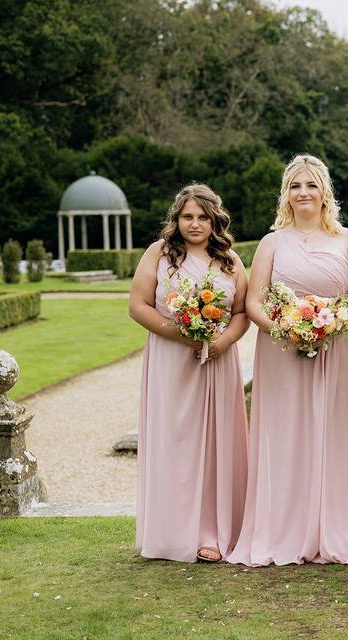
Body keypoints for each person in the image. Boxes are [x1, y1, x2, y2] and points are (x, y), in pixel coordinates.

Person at [227, 155, 348, 566]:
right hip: (281, 350)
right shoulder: (272, 243)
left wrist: (330, 324)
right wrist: (286, 329)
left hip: (337, 348)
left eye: (311, 185)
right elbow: (254, 301)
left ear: (324, 192)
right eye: (296, 186)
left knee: (334, 434)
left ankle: (333, 526)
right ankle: (283, 529)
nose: (303, 193)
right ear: (287, 193)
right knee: (286, 433)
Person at [130, 183, 249, 563]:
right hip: (170, 358)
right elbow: (138, 305)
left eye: (202, 217)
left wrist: (224, 340)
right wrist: (183, 335)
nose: (195, 224)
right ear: (176, 219)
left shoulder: (230, 260)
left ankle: (212, 532)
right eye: (187, 217)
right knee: (174, 439)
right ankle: (169, 532)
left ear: (215, 220)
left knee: (216, 441)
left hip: (217, 359)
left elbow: (243, 311)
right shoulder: (159, 254)